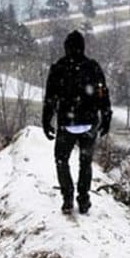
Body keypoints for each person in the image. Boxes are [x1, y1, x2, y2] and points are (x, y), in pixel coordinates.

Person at [42, 30, 112, 214]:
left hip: (67, 124)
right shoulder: (93, 67)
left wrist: (46, 121)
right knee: (85, 162)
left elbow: (50, 98)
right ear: (83, 47)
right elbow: (103, 93)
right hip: (89, 123)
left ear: (66, 48)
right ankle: (83, 198)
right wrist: (106, 117)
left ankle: (67, 197)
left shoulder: (58, 67)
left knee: (61, 159)